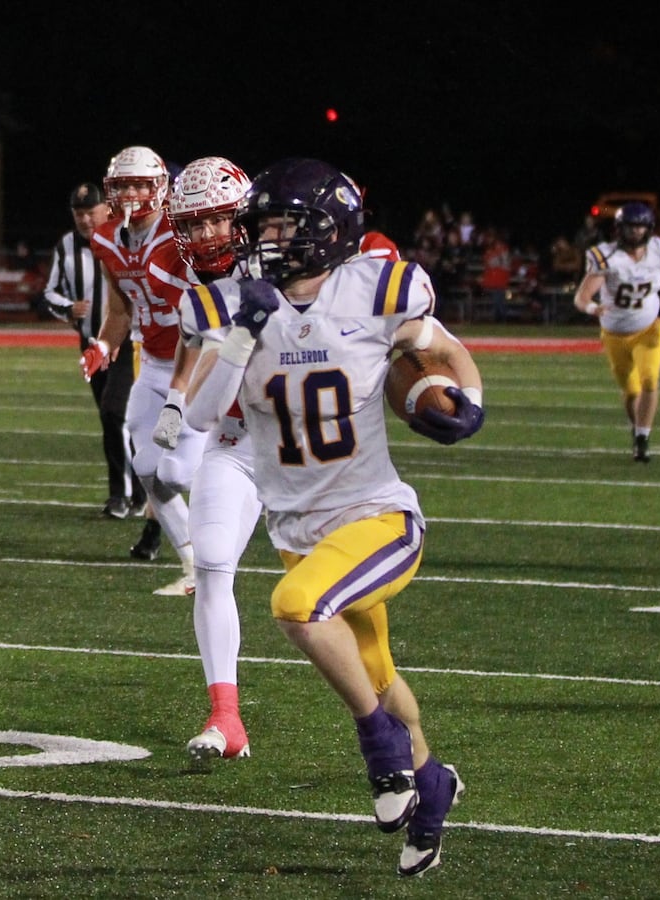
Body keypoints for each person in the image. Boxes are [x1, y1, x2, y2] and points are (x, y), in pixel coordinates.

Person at [181, 158, 484, 877]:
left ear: (328, 230)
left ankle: (382, 753)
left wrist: (467, 399)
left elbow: (441, 347)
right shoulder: (229, 301)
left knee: (294, 608)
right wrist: (242, 333)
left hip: (376, 517)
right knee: (375, 672)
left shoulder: (377, 288)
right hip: (299, 530)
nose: (265, 239)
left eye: (282, 225)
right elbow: (197, 411)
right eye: (262, 226)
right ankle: (431, 779)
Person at [153, 156, 259, 762]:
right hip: (239, 442)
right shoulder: (202, 291)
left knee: (333, 602)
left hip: (311, 451)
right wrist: (175, 401)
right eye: (190, 227)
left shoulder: (302, 272)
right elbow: (200, 383)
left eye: (213, 222)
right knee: (214, 562)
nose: (201, 238)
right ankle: (226, 716)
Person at [81, 145, 206, 595]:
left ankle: (241, 471)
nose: (131, 192)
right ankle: (194, 566)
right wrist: (101, 345)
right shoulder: (106, 238)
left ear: (159, 187)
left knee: (174, 473)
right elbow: (119, 310)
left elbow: (204, 317)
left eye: (139, 183)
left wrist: (183, 389)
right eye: (122, 185)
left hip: (196, 362)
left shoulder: (181, 237)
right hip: (153, 361)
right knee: (148, 467)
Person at [43, 181, 146, 519]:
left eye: (91, 212)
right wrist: (68, 308)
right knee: (113, 419)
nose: (85, 219)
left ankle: (124, 495)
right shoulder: (66, 247)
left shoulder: (126, 238)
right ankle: (139, 491)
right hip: (90, 345)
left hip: (127, 343)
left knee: (115, 412)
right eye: (79, 213)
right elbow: (49, 294)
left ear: (106, 209)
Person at [571, 202, 660, 462]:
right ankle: (637, 429)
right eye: (630, 226)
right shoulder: (608, 257)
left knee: (650, 380)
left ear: (648, 229)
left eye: (640, 226)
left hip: (648, 329)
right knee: (631, 392)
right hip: (614, 335)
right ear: (619, 229)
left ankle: (642, 438)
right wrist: (593, 308)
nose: (635, 232)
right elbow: (581, 297)